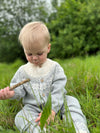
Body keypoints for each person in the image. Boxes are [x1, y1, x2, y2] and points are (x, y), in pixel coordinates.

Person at [0, 21, 90, 133]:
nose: (35, 58)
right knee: (21, 116)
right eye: (29, 54)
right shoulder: (23, 71)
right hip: (33, 107)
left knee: (72, 102)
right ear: (24, 51)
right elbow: (19, 91)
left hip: (59, 103)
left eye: (39, 53)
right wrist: (11, 93)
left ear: (48, 48)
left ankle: (78, 128)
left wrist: (51, 109)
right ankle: (38, 130)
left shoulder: (55, 68)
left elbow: (59, 90)